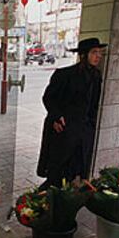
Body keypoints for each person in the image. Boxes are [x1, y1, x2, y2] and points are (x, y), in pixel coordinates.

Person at [37, 38, 107, 189]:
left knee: (75, 173)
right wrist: (56, 117)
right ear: (83, 55)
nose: (98, 56)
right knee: (56, 174)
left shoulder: (96, 76)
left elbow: (93, 105)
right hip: (64, 131)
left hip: (83, 134)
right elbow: (48, 98)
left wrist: (91, 125)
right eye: (94, 52)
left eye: (100, 53)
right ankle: (38, 205)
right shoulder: (65, 75)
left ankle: (64, 203)